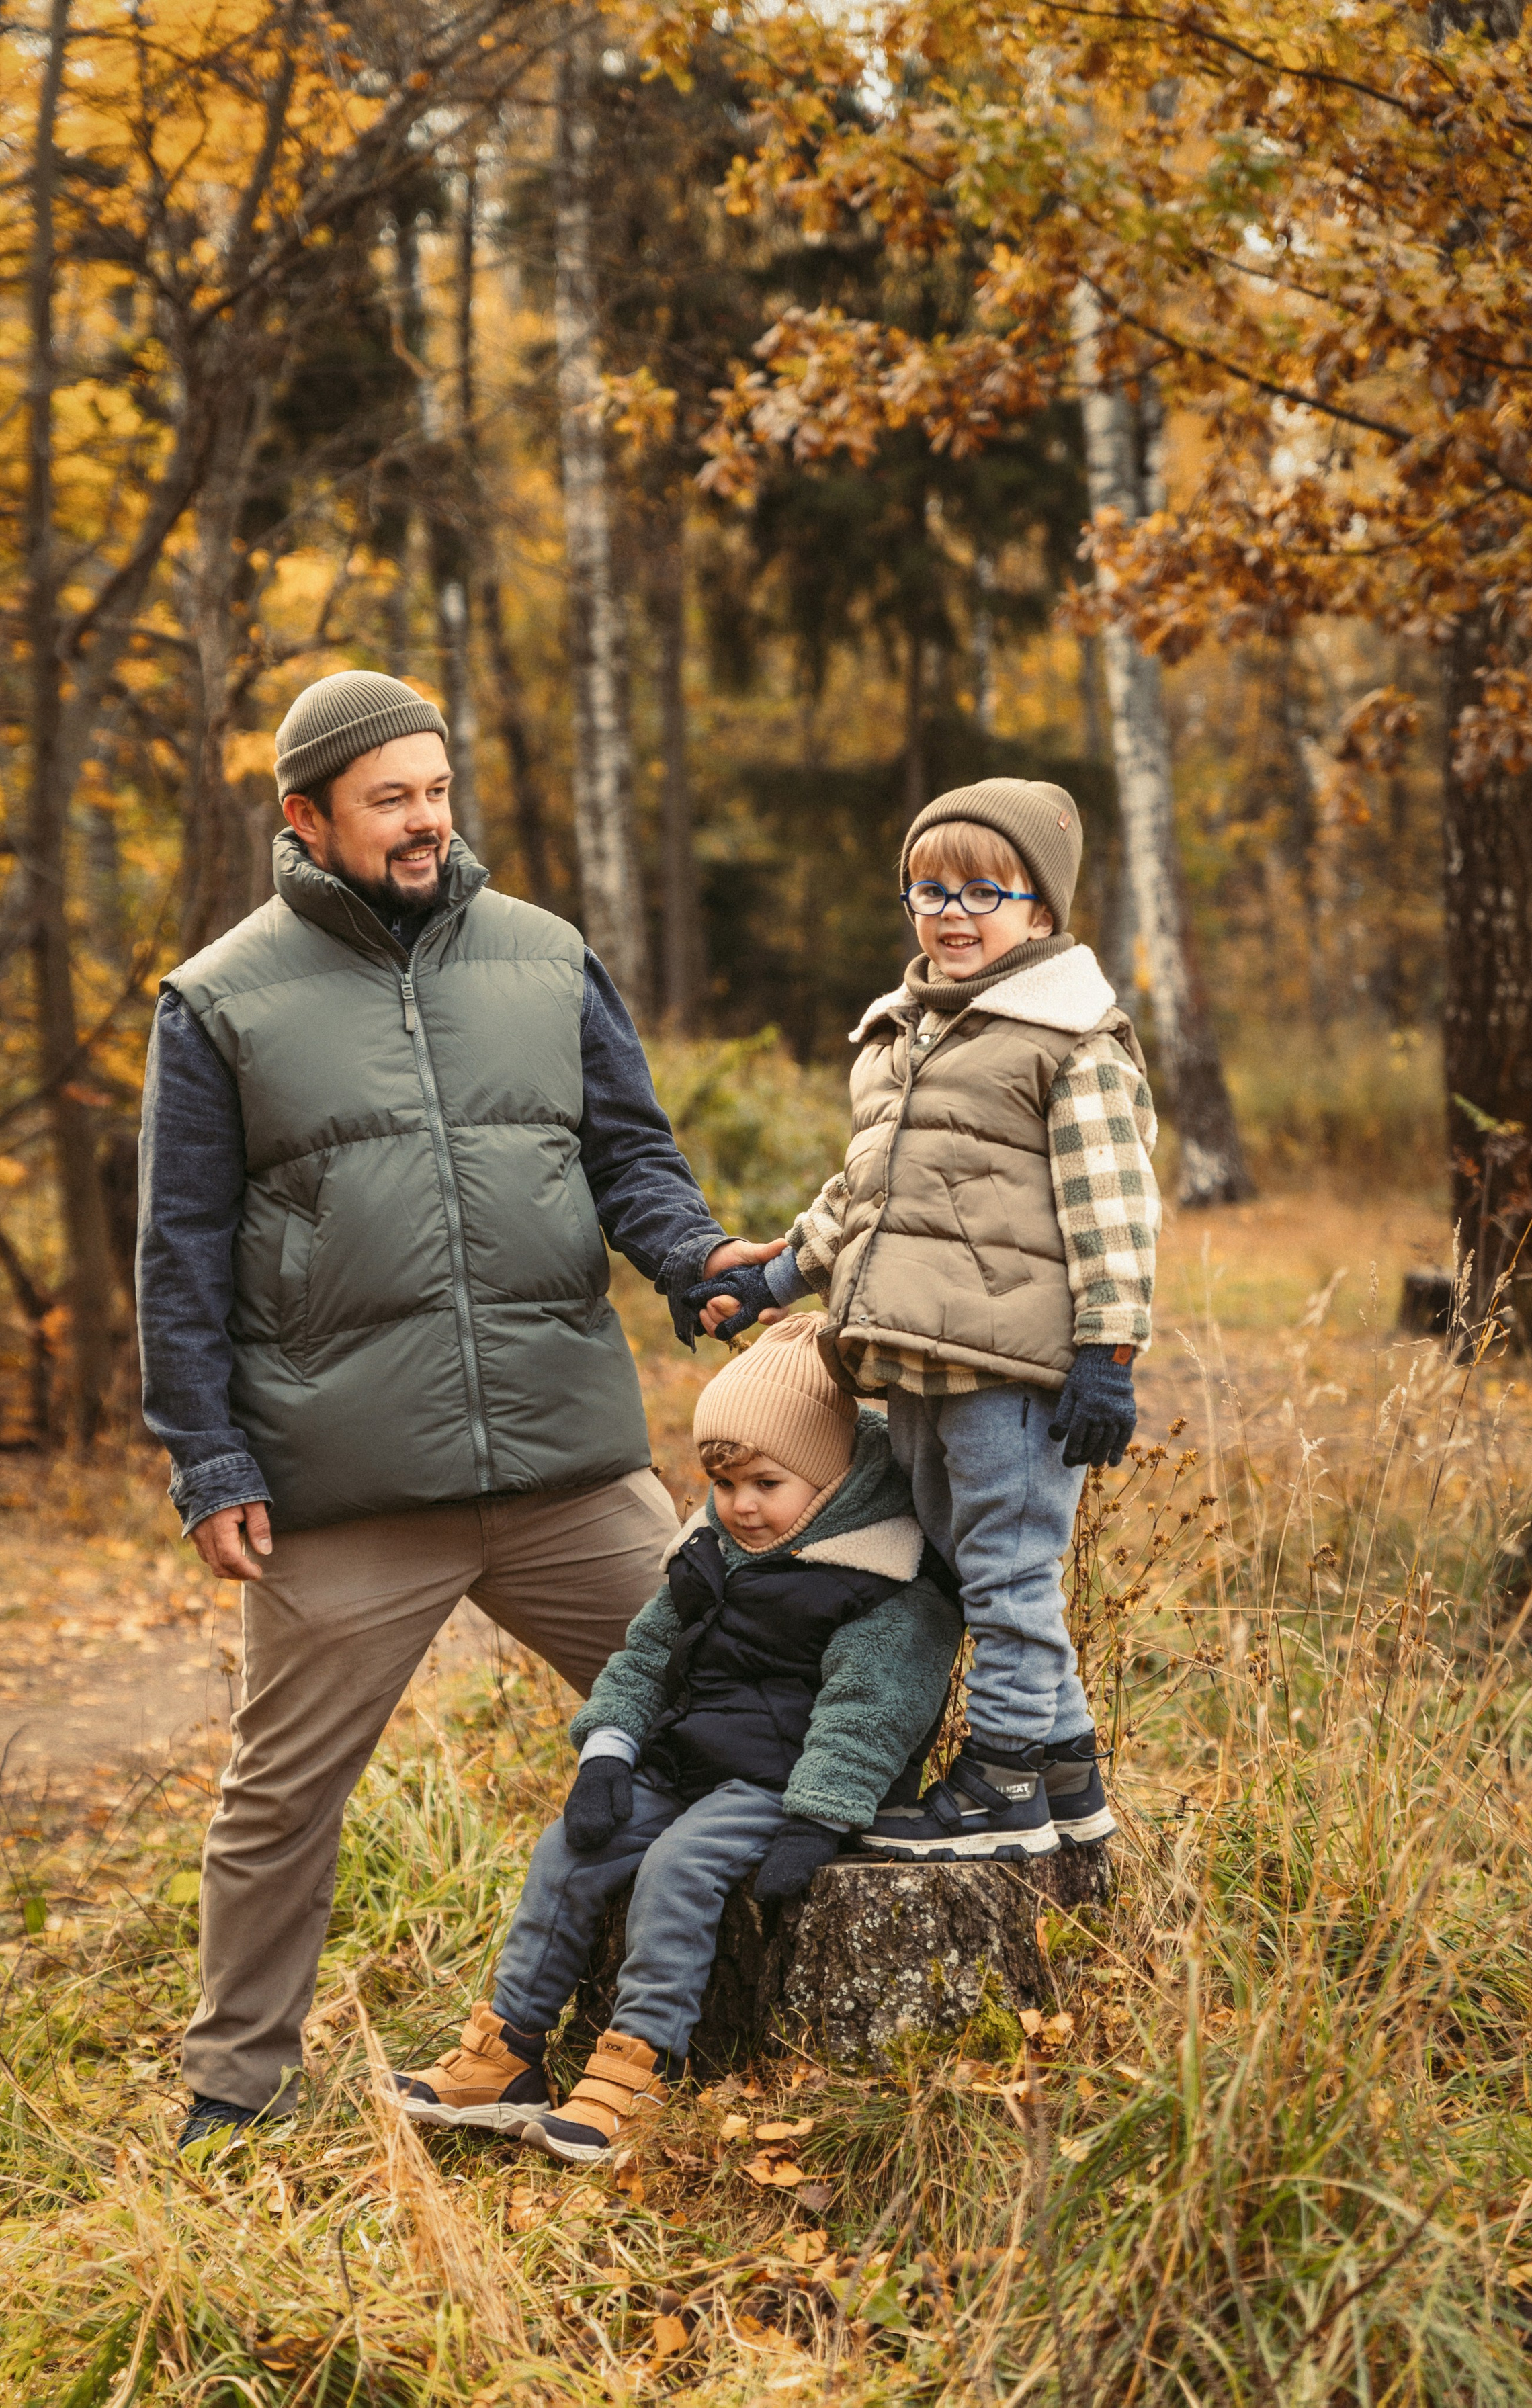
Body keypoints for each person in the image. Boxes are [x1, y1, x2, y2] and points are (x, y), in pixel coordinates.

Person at [136, 669, 781, 2151]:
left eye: (436, 790)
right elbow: (173, 1255)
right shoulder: (221, 1000)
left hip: (564, 1463)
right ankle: (237, 2088)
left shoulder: (544, 957)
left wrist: (691, 1262)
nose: (425, 821)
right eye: (390, 799)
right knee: (280, 1796)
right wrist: (208, 1452)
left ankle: (726, 2025)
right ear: (306, 817)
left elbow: (630, 1158)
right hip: (341, 1481)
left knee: (739, 1698)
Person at [683, 778, 1160, 1862]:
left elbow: (1116, 1209)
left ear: (1041, 910)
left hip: (1016, 1369)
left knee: (1007, 1577)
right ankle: (1068, 1777)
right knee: (967, 1559)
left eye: (985, 889)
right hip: (920, 1366)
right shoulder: (907, 1034)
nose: (952, 911)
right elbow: (864, 1196)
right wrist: (778, 1279)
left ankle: (1002, 1782)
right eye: (929, 888)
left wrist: (1108, 1348)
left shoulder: (1070, 1040)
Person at [393, 1318, 962, 2163]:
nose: (741, 1504)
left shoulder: (880, 1576)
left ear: (835, 1476)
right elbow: (645, 1654)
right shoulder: (713, 1552)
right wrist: (609, 1754)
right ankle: (506, 2050)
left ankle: (637, 2065)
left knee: (678, 1866)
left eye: (768, 1481)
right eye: (724, 1481)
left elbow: (871, 1710)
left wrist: (817, 1817)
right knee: (570, 1851)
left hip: (788, 1781)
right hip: (688, 1761)